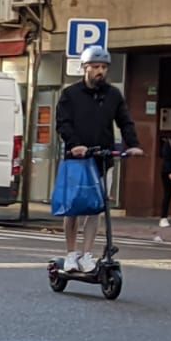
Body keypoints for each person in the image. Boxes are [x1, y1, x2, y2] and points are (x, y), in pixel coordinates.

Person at [56, 45, 142, 273]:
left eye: (104, 67)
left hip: (102, 159)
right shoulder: (70, 94)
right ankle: (71, 254)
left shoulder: (113, 95)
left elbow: (125, 121)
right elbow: (63, 123)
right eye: (95, 67)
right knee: (73, 209)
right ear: (85, 68)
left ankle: (87, 255)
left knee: (96, 209)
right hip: (76, 161)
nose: (100, 72)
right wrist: (75, 145)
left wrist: (132, 145)